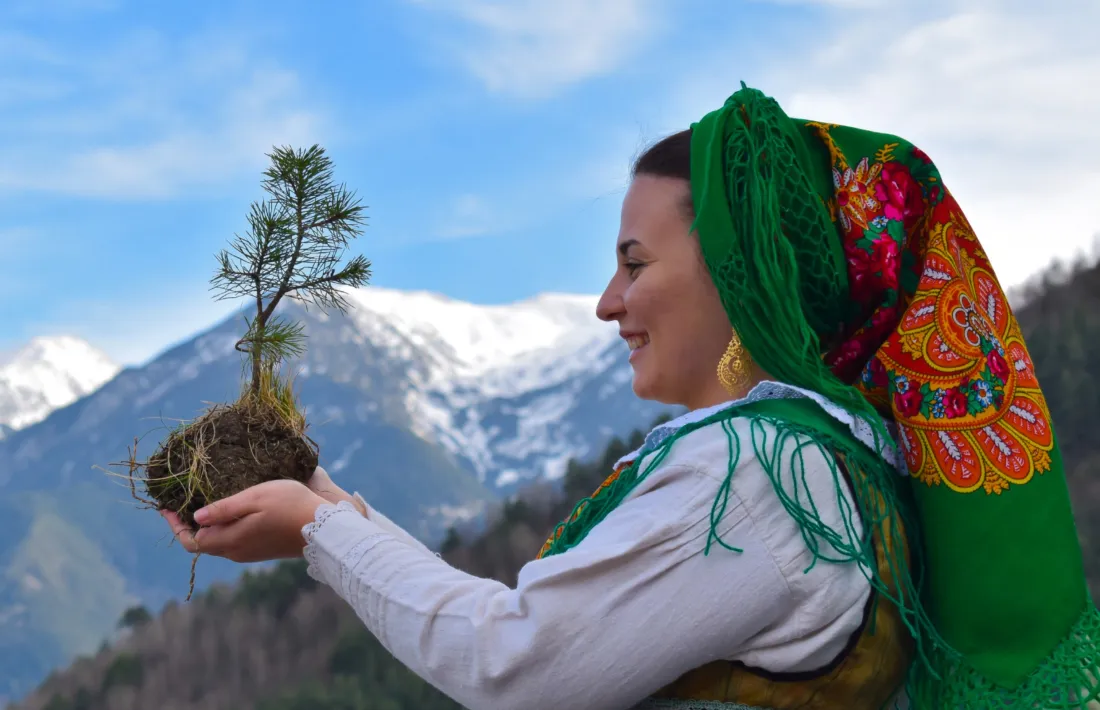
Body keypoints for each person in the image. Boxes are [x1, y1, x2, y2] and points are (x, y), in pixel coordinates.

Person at [164, 84, 1099, 709]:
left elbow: (515, 661)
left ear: (741, 277)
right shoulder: (835, 456)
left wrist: (317, 535)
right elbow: (535, 622)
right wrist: (321, 503)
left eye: (634, 264)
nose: (608, 303)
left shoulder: (759, 476)